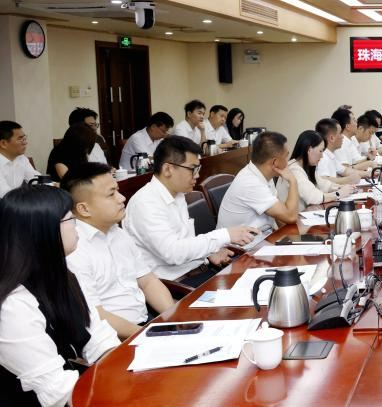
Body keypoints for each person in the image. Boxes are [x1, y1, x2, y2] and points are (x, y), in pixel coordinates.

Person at [0, 185, 118, 406]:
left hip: (74, 389)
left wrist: (122, 368)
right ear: (44, 231)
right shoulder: (12, 306)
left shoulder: (61, 273)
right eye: (71, 219)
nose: (77, 226)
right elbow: (56, 390)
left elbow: (97, 337)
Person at [123, 136, 258, 286]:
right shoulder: (145, 204)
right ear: (168, 169)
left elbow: (185, 243)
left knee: (255, 277)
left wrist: (209, 254)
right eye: (193, 169)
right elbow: (173, 253)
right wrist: (225, 235)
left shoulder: (178, 194)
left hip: (199, 270)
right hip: (176, 285)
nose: (197, 175)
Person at [62, 163, 175, 340]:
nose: (122, 198)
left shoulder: (118, 233)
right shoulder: (73, 249)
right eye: (111, 194)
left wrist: (175, 317)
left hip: (145, 325)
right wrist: (149, 335)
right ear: (84, 209)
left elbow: (147, 281)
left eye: (118, 190)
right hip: (113, 339)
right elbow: (96, 315)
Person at [218, 131, 300, 229]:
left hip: (259, 235)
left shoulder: (262, 173)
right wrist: (293, 181)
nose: (288, 161)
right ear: (275, 162)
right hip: (241, 239)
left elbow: (281, 216)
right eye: (286, 157)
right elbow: (291, 216)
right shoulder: (251, 183)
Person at [277, 131, 354, 211]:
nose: (322, 156)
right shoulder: (294, 169)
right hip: (293, 218)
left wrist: (340, 187)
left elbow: (322, 184)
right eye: (320, 151)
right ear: (309, 150)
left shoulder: (305, 166)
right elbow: (313, 197)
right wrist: (338, 194)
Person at [316, 118, 366, 186]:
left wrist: (368, 173)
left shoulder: (330, 155)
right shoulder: (322, 157)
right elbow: (323, 180)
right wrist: (348, 180)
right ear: (331, 138)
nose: (342, 137)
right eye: (340, 133)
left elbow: (345, 170)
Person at [0, 121, 39, 198]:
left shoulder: (21, 158)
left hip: (15, 201)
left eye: (24, 138)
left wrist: (54, 185)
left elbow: (35, 179)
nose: (25, 143)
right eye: (20, 139)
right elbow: (6, 196)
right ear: (3, 143)